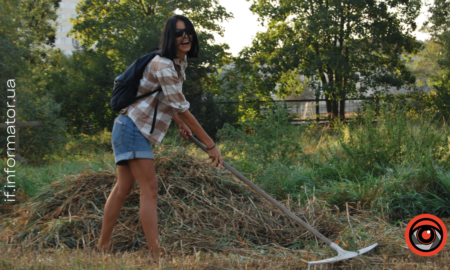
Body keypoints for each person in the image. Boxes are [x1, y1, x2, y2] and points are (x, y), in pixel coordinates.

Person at [96, 15, 224, 264]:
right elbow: (182, 107)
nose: (185, 36)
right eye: (178, 33)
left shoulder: (178, 63)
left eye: (188, 31)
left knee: (123, 189)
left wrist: (179, 123)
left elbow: (162, 100)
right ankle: (155, 254)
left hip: (128, 127)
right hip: (132, 129)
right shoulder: (164, 65)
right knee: (150, 190)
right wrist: (210, 144)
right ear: (169, 37)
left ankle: (103, 247)